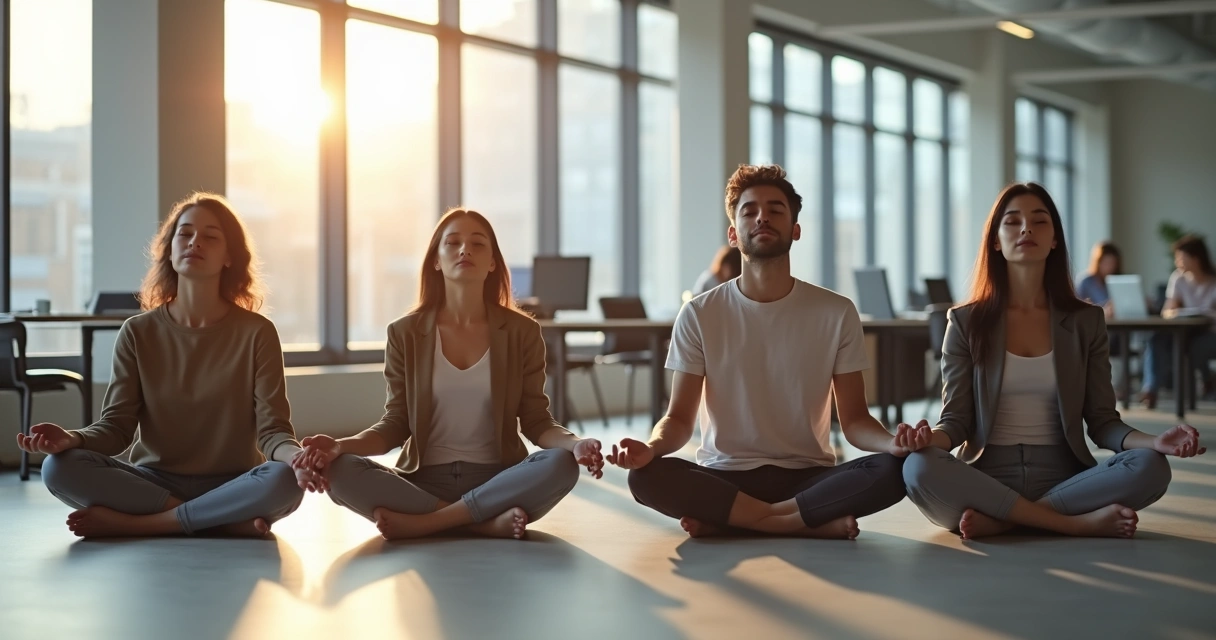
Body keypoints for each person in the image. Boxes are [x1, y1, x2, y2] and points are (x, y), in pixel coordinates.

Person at [606, 164, 916, 540]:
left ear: (795, 230)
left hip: (807, 477)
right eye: (749, 211)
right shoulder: (700, 313)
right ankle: (800, 525)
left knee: (896, 470)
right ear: (733, 234)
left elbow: (854, 421)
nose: (762, 218)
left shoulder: (836, 311)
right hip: (724, 475)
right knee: (646, 477)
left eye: (775, 210)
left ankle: (734, 521)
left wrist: (894, 444)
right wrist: (651, 449)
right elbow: (679, 420)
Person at [902, 183, 1204, 540]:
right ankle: (1070, 523)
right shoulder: (967, 321)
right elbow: (955, 423)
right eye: (1012, 222)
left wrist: (1155, 442)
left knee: (1152, 466)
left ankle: (1008, 520)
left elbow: (1104, 422)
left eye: (1039, 221)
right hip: (985, 476)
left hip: (1064, 476)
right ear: (996, 240)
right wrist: (926, 441)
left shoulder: (1085, 321)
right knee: (917, 467)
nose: (1026, 229)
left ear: (1055, 239)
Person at [15, 193, 320, 538]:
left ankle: (143, 526)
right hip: (154, 485)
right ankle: (217, 521)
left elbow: (273, 433)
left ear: (229, 257)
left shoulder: (257, 332)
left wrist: (296, 459)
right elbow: (116, 428)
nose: (194, 242)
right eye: (184, 233)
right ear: (170, 250)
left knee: (283, 479)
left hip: (233, 483)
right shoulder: (137, 332)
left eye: (210, 236)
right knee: (58, 468)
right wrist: (72, 439)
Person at [295, 208, 604, 540]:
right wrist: (340, 447)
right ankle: (480, 523)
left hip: (498, 479)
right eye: (453, 242)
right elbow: (395, 424)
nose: (464, 250)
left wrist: (575, 444)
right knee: (340, 470)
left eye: (477, 244)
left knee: (560, 464)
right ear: (437, 260)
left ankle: (428, 522)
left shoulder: (522, 332)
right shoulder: (405, 333)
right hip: (424, 480)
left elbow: (536, 421)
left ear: (492, 264)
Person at [1139, 234, 1216, 407]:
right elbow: (1168, 310)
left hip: (1210, 331)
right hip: (1184, 328)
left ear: (1196, 258)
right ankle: (1150, 389)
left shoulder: (1213, 280)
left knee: (1191, 347)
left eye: (1181, 257)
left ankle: (1192, 394)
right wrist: (1176, 312)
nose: (1177, 261)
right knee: (1156, 339)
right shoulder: (1178, 278)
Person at [1076, 241, 1122, 315]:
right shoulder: (1086, 282)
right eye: (1106, 263)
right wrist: (1103, 311)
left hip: (1117, 323)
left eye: (1112, 263)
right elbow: (1076, 309)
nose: (1109, 267)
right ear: (1098, 263)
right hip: (1093, 322)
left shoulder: (1120, 282)